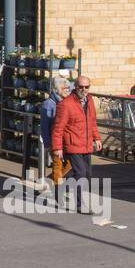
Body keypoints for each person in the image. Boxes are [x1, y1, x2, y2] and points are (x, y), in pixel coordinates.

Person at [51, 75, 101, 214]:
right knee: (80, 173)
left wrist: (97, 138)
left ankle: (61, 188)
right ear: (75, 87)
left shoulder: (89, 101)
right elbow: (58, 129)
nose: (84, 90)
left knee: (88, 174)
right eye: (81, 87)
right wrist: (57, 148)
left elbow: (92, 122)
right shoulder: (65, 104)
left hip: (86, 144)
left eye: (87, 87)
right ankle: (80, 205)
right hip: (72, 145)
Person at [40, 76, 71, 184]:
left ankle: (47, 183)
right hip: (55, 142)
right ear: (56, 90)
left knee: (69, 164)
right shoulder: (48, 104)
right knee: (58, 167)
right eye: (64, 88)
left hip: (67, 141)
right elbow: (44, 127)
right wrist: (48, 144)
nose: (67, 90)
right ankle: (57, 191)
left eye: (68, 88)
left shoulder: (66, 103)